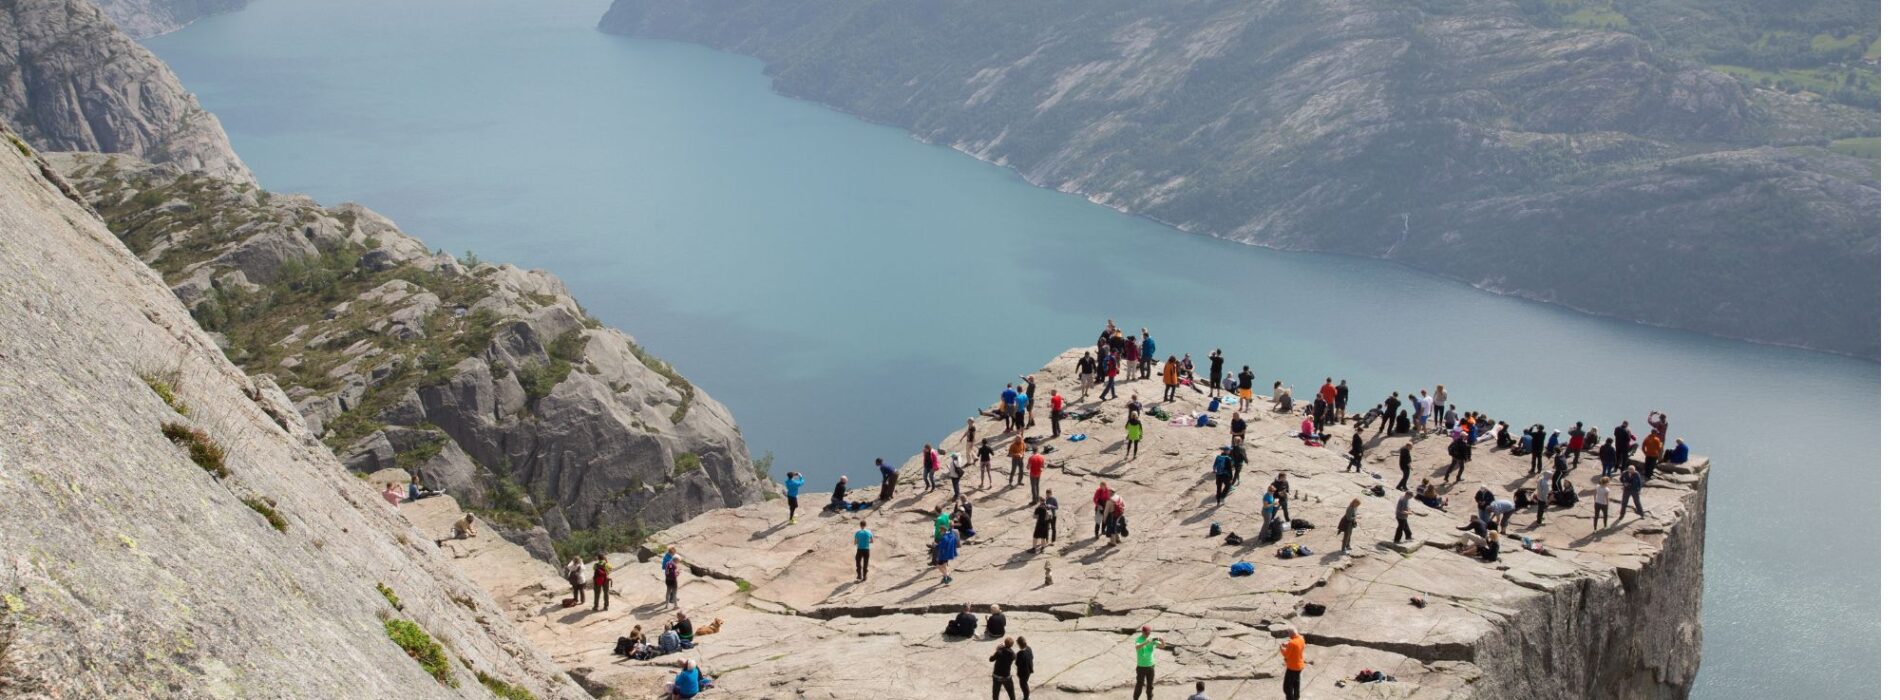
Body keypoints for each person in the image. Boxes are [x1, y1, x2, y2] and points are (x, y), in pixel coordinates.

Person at [1132, 626, 1161, 700]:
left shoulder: (1151, 638)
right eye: (1146, 633)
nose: (1148, 634)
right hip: (1141, 666)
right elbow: (1137, 647)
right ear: (1143, 632)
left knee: (1150, 685)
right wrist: (1146, 642)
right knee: (1139, 685)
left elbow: (1162, 646)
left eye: (1149, 633)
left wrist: (1162, 640)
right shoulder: (1138, 639)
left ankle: (1150, 698)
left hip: (1151, 665)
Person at [1280, 624, 1306, 700]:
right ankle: (1296, 697)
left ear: (1290, 634)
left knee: (1287, 687)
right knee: (1296, 683)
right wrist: (1288, 643)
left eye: (1288, 634)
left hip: (1292, 667)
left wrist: (1281, 648)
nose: (1288, 636)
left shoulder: (1292, 643)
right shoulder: (1301, 638)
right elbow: (1296, 642)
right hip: (1300, 665)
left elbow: (1286, 655)